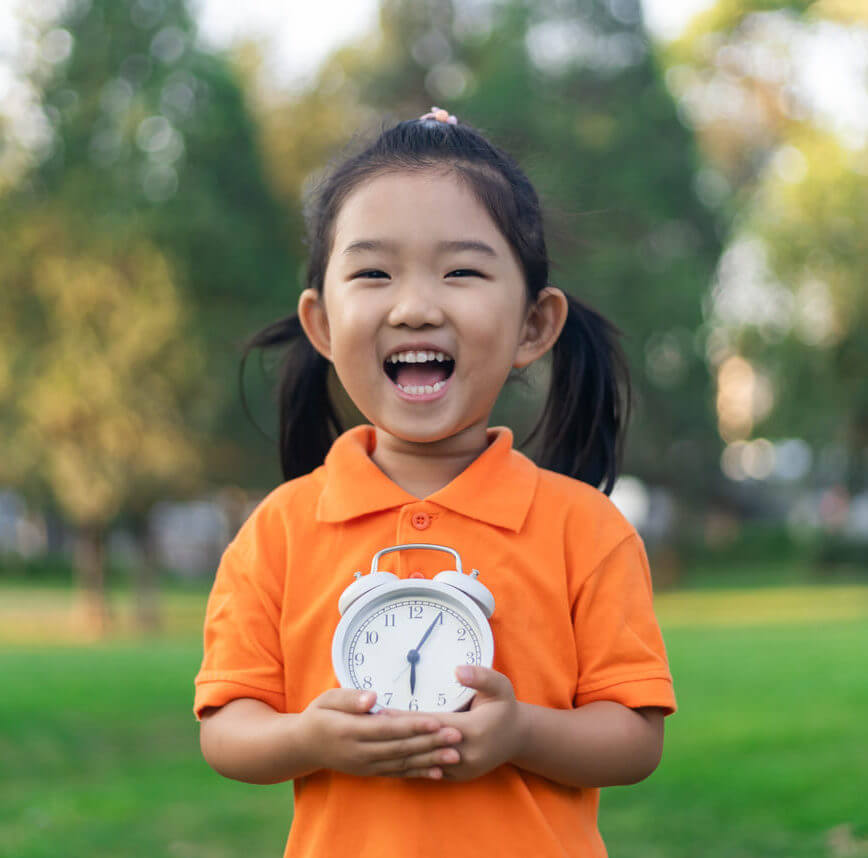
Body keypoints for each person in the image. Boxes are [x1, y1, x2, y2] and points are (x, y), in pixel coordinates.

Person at [194, 106, 676, 858]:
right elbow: (226, 729)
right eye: (374, 273)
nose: (415, 306)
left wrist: (522, 732)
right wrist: (310, 738)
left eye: (461, 271)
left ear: (534, 327)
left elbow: (635, 738)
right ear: (321, 325)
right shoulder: (280, 530)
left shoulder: (587, 529)